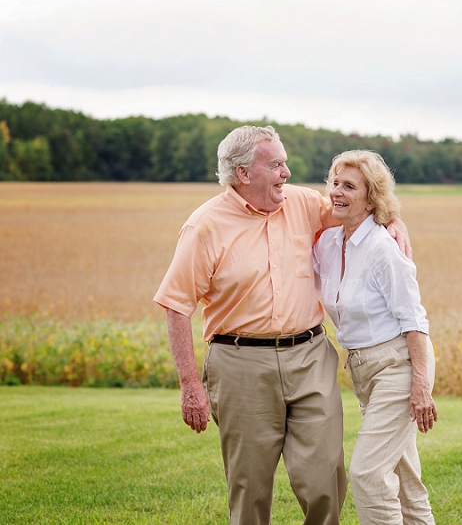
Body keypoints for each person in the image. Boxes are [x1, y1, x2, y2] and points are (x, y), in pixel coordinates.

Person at [153, 126, 410, 525]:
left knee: (325, 479)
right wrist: (190, 386)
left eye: (285, 162)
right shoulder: (204, 227)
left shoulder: (304, 203)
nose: (287, 173)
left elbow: (360, 212)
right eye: (276, 164)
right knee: (250, 488)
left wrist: (395, 222)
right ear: (243, 174)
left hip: (310, 357)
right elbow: (175, 306)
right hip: (240, 365)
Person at [313, 150, 437, 525]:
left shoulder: (384, 248)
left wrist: (420, 386)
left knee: (368, 473)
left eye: (349, 186)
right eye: (335, 183)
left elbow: (414, 319)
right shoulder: (328, 244)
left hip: (400, 365)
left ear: (371, 199)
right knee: (404, 476)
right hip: (364, 368)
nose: (337, 191)